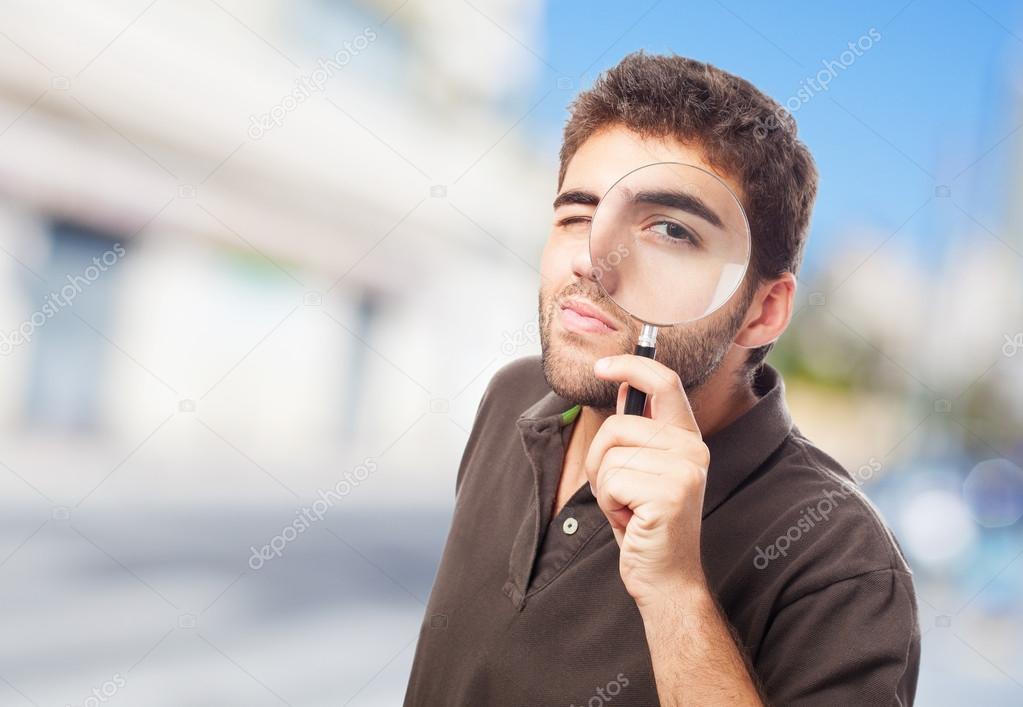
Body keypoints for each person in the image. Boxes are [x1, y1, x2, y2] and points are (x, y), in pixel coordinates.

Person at [403, 51, 920, 706]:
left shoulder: (841, 563)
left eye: (669, 230)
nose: (596, 261)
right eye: (577, 215)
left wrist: (674, 589)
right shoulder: (514, 396)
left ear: (762, 310)